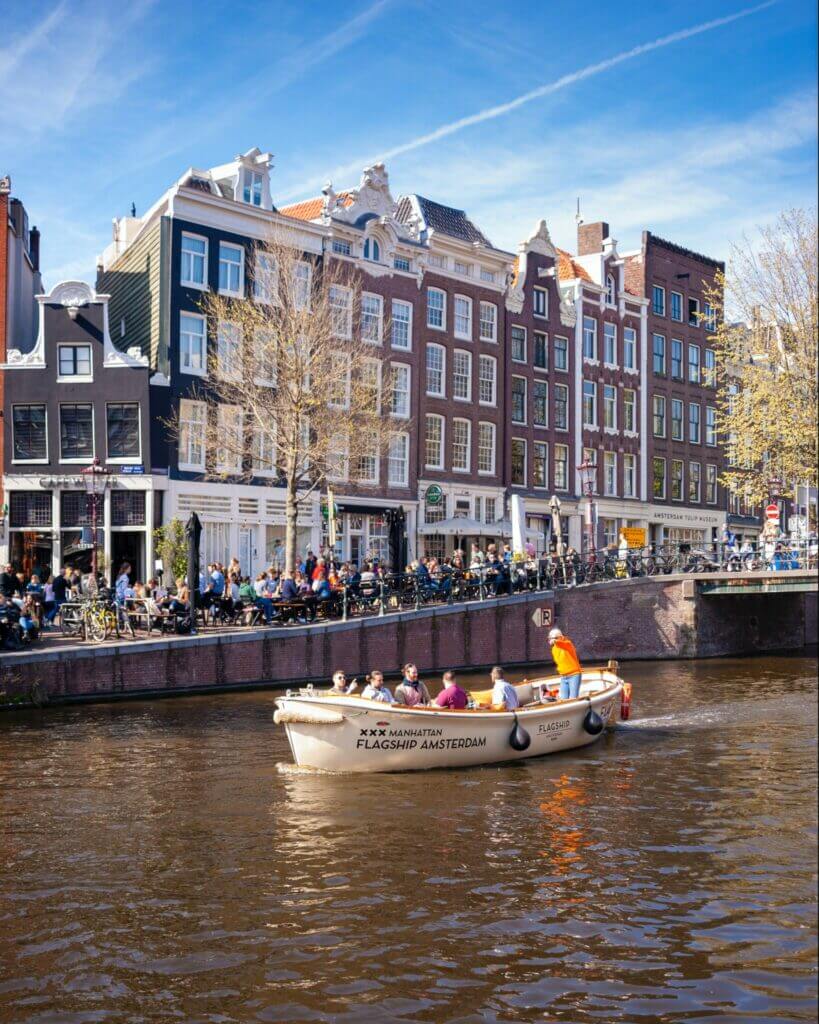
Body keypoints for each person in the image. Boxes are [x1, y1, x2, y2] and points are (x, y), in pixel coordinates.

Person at [548, 626, 583, 700]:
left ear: (561, 637)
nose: (551, 641)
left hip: (574, 675)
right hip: (563, 677)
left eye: (554, 638)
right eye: (550, 639)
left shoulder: (568, 644)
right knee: (563, 699)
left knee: (573, 699)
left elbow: (562, 644)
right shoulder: (554, 649)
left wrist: (555, 641)